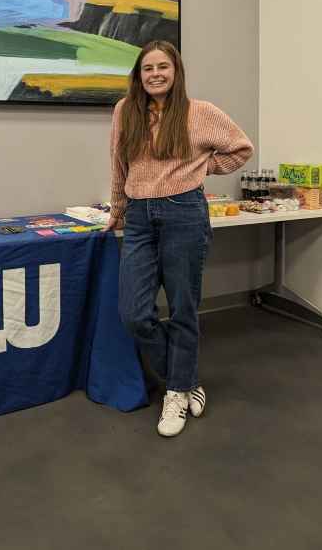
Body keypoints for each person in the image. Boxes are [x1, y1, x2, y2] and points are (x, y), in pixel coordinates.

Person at [107, 40, 254, 438]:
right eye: (148, 68)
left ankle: (175, 392)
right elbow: (119, 165)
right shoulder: (126, 111)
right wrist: (117, 209)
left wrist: (204, 166)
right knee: (134, 313)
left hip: (184, 212)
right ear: (139, 75)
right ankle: (184, 377)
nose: (155, 74)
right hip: (139, 217)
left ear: (176, 73)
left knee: (183, 306)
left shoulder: (199, 112)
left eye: (163, 68)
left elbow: (242, 149)